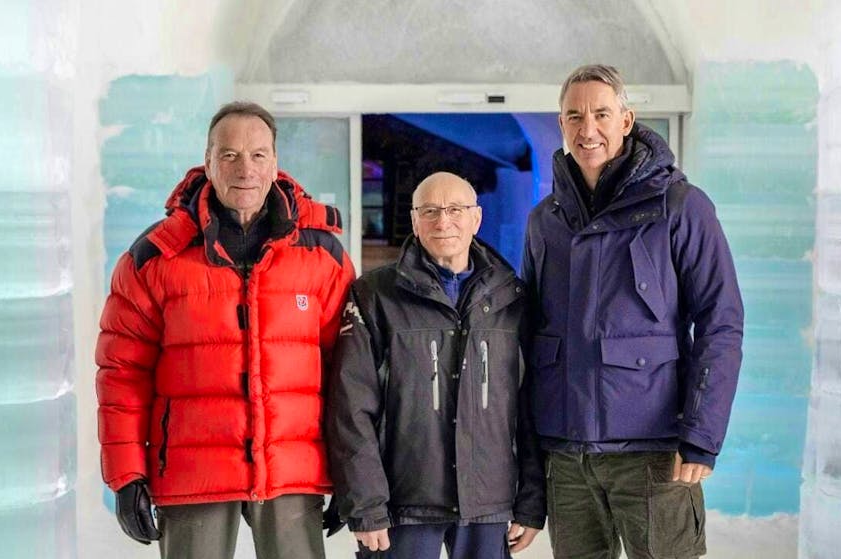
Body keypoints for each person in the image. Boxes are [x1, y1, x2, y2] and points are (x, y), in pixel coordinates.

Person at [95, 101, 355, 558]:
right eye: (230, 155)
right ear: (208, 160)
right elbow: (121, 373)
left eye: (258, 155)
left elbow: (351, 373)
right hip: (192, 465)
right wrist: (126, 474)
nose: (245, 168)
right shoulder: (155, 258)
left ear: (275, 162)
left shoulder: (322, 256)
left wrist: (351, 471)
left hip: (293, 464)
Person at [522, 65, 744, 559]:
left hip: (654, 453)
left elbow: (720, 321)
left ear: (627, 120)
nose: (588, 129)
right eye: (574, 116)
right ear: (561, 125)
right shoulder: (545, 221)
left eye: (602, 113)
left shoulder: (681, 207)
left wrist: (702, 435)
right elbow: (530, 332)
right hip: (567, 455)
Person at [326, 172, 546, 558]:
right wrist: (365, 506)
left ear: (476, 218)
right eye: (430, 211)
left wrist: (530, 500)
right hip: (402, 504)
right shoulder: (375, 296)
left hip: (488, 502)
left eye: (455, 209)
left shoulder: (512, 300)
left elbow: (527, 407)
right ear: (414, 220)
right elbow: (350, 408)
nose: (443, 221)